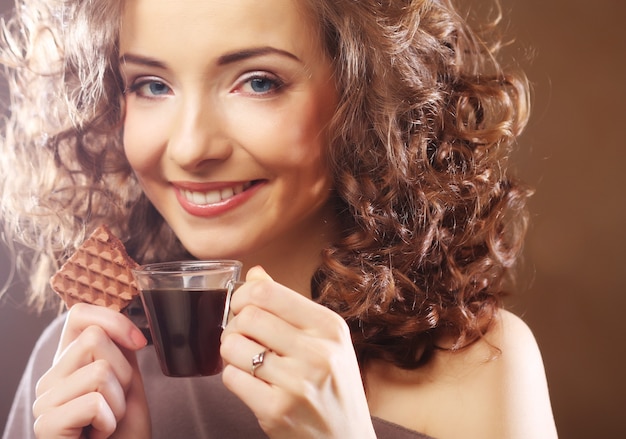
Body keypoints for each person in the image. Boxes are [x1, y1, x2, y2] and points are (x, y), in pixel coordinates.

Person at [0, 0, 558, 437]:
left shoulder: (484, 368)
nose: (192, 147)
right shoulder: (82, 364)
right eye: (152, 85)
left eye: (258, 81)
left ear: (364, 97)